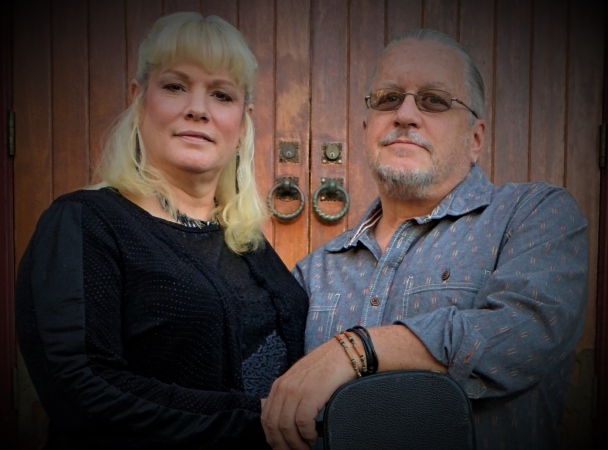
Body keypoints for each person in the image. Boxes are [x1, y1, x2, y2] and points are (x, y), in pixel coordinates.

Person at [261, 28, 588, 450]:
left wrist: (355, 350)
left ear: (475, 139)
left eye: (434, 99)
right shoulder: (315, 271)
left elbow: (526, 335)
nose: (405, 114)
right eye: (388, 98)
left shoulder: (534, 215)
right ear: (366, 128)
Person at [15, 12, 308, 450]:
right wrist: (257, 419)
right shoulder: (84, 222)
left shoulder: (244, 240)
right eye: (175, 86)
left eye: (221, 94)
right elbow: (82, 387)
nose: (198, 109)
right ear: (139, 99)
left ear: (243, 121)